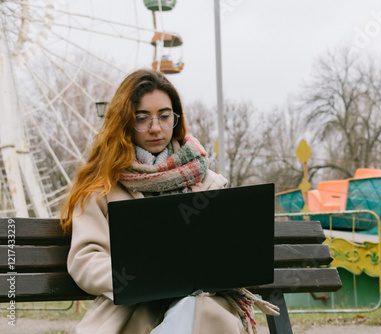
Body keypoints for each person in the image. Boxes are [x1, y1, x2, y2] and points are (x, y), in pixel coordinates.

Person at [60, 69, 278, 334]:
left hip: (206, 304)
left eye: (164, 117)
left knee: (198, 309)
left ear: (176, 118)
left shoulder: (208, 182)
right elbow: (86, 259)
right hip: (136, 310)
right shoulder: (101, 188)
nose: (155, 128)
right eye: (142, 118)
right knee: (195, 313)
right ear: (125, 122)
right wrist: (145, 278)